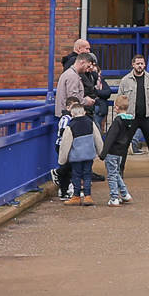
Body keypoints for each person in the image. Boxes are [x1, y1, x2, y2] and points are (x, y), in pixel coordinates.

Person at [61, 57, 103, 203]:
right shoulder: (89, 122)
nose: (88, 69)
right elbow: (97, 138)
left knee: (76, 175)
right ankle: (88, 196)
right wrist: (101, 153)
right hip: (89, 155)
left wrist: (62, 159)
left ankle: (76, 195)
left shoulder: (70, 125)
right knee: (87, 174)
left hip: (76, 156)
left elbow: (66, 142)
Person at [117, 52, 149, 176]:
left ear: (145, 65)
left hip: (147, 117)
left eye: (142, 63)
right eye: (137, 63)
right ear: (133, 64)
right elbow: (120, 98)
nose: (140, 66)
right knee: (124, 144)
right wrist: (121, 116)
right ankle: (120, 170)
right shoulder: (125, 80)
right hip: (130, 117)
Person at [100, 87, 137, 205]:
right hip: (121, 151)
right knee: (116, 173)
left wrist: (103, 153)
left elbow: (110, 138)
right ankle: (125, 194)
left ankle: (114, 197)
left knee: (111, 175)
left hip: (112, 151)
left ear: (116, 107)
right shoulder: (130, 121)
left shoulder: (117, 122)